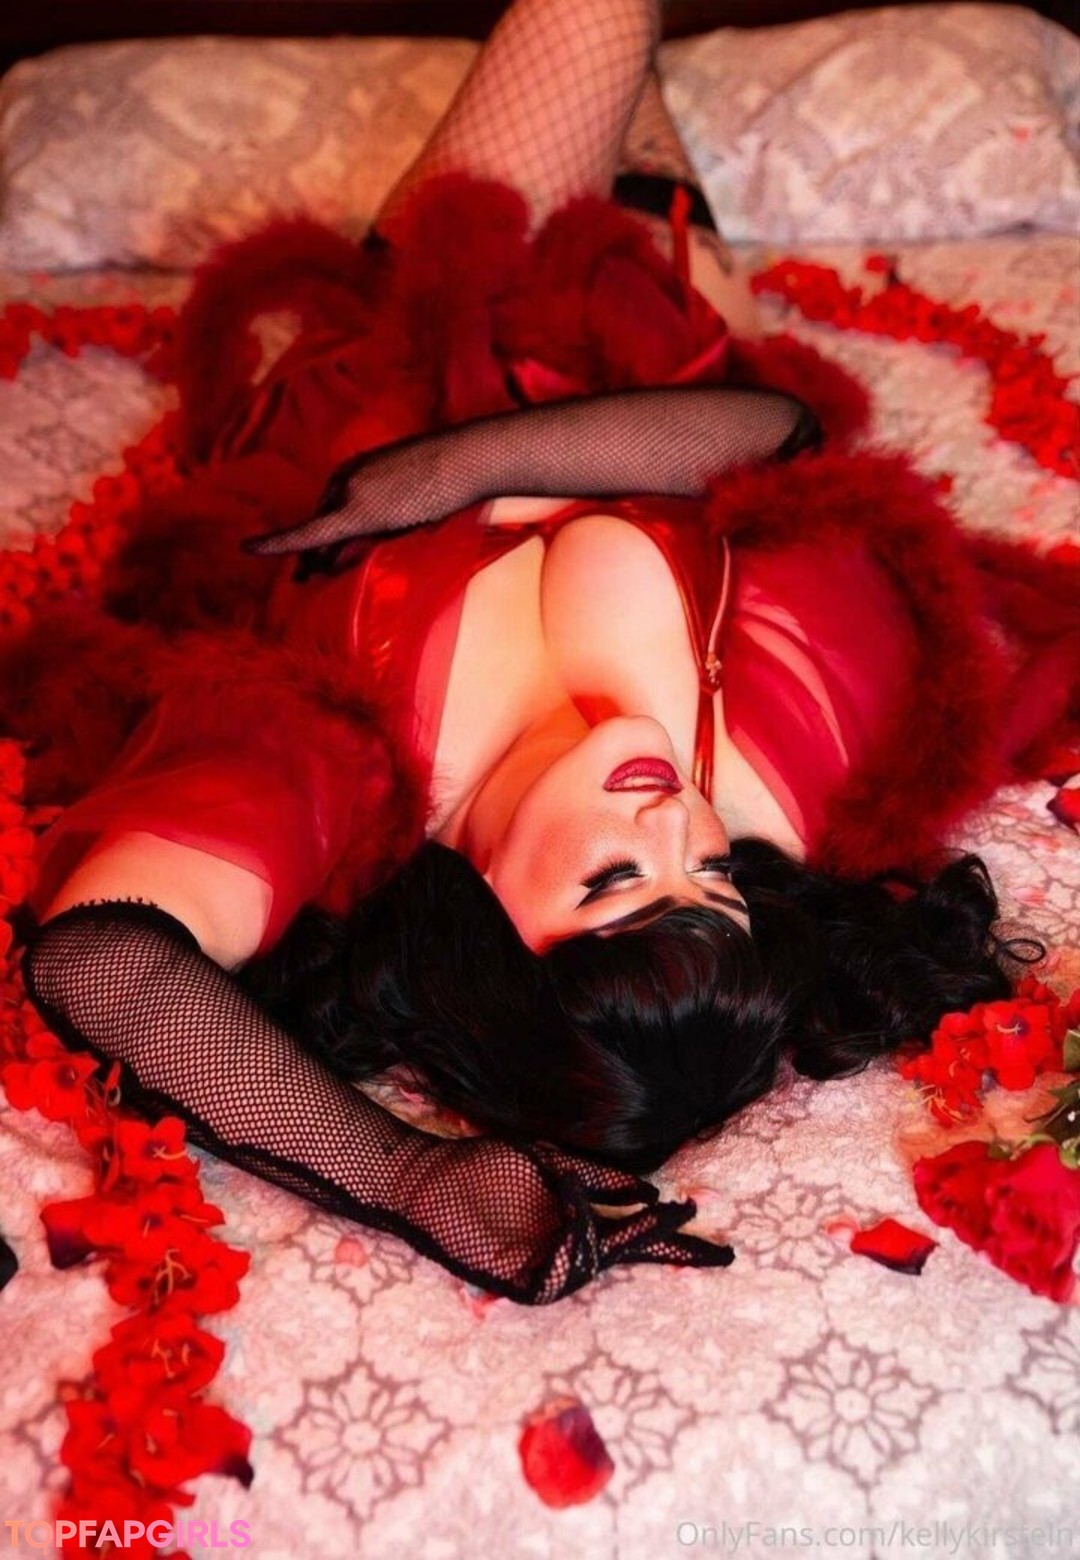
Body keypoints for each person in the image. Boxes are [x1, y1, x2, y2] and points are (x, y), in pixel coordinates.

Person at [16, 0, 1076, 1306]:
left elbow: (100, 958)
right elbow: (778, 438)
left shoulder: (345, 783)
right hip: (659, 347)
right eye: (712, 877)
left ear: (489, 943)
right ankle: (647, 148)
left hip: (419, 333)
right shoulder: (785, 776)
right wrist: (463, 470)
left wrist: (410, 1177)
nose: (673, 819)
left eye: (615, 879)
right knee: (639, 147)